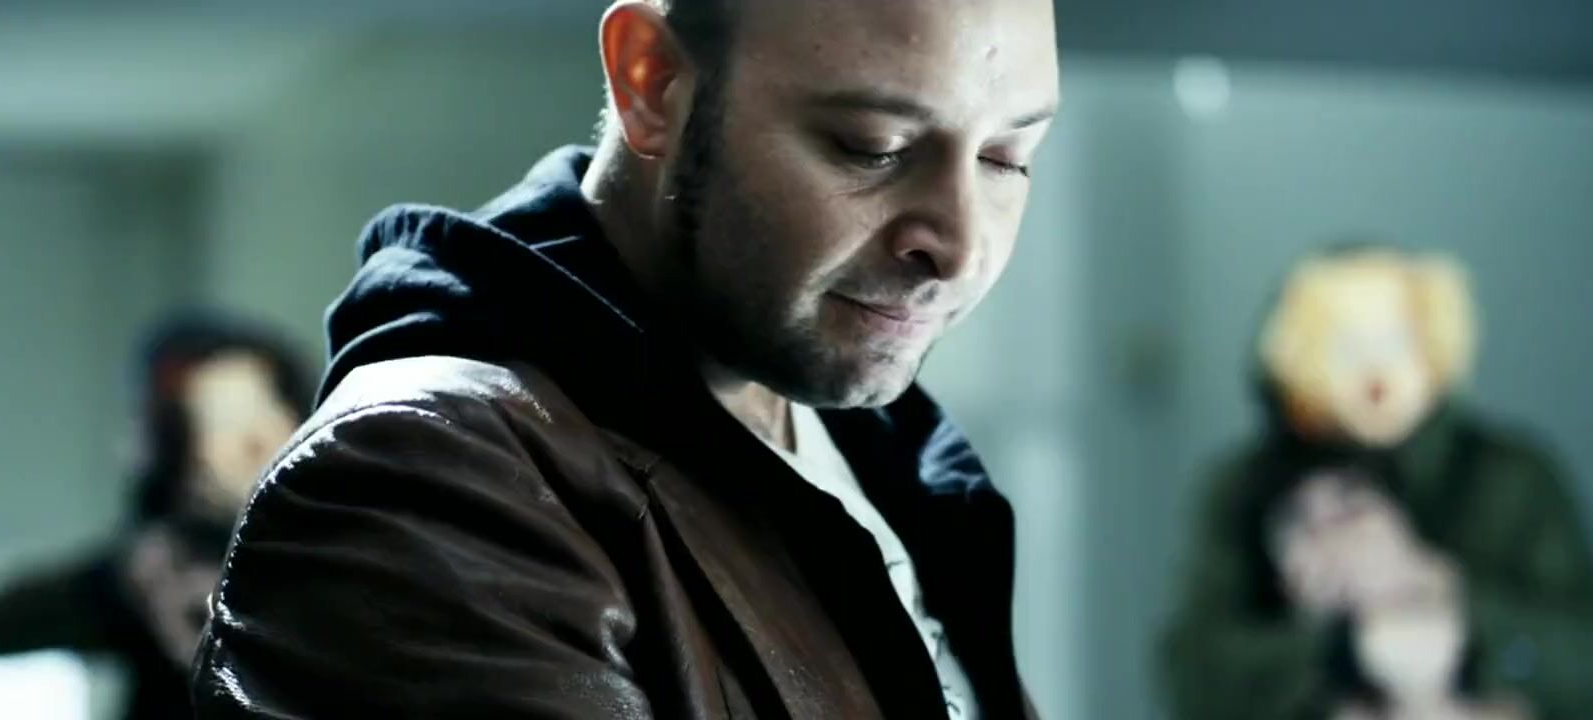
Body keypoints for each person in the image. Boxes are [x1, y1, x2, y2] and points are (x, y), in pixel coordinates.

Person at [191, 0, 1060, 717]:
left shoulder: (884, 453)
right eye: (873, 145)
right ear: (653, 82)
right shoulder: (422, 487)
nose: (960, 245)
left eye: (1006, 157)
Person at [1159, 246, 1593, 720]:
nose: (1374, 369)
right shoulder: (1242, 487)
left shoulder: (1513, 477)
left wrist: (1451, 615)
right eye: (1347, 345)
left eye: (1394, 341)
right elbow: (1193, 679)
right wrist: (1344, 652)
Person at [0, 313, 309, 720]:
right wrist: (136, 577)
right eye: (218, 422)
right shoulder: (147, 573)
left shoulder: (327, 560)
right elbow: (1, 625)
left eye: (261, 412)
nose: (249, 443)